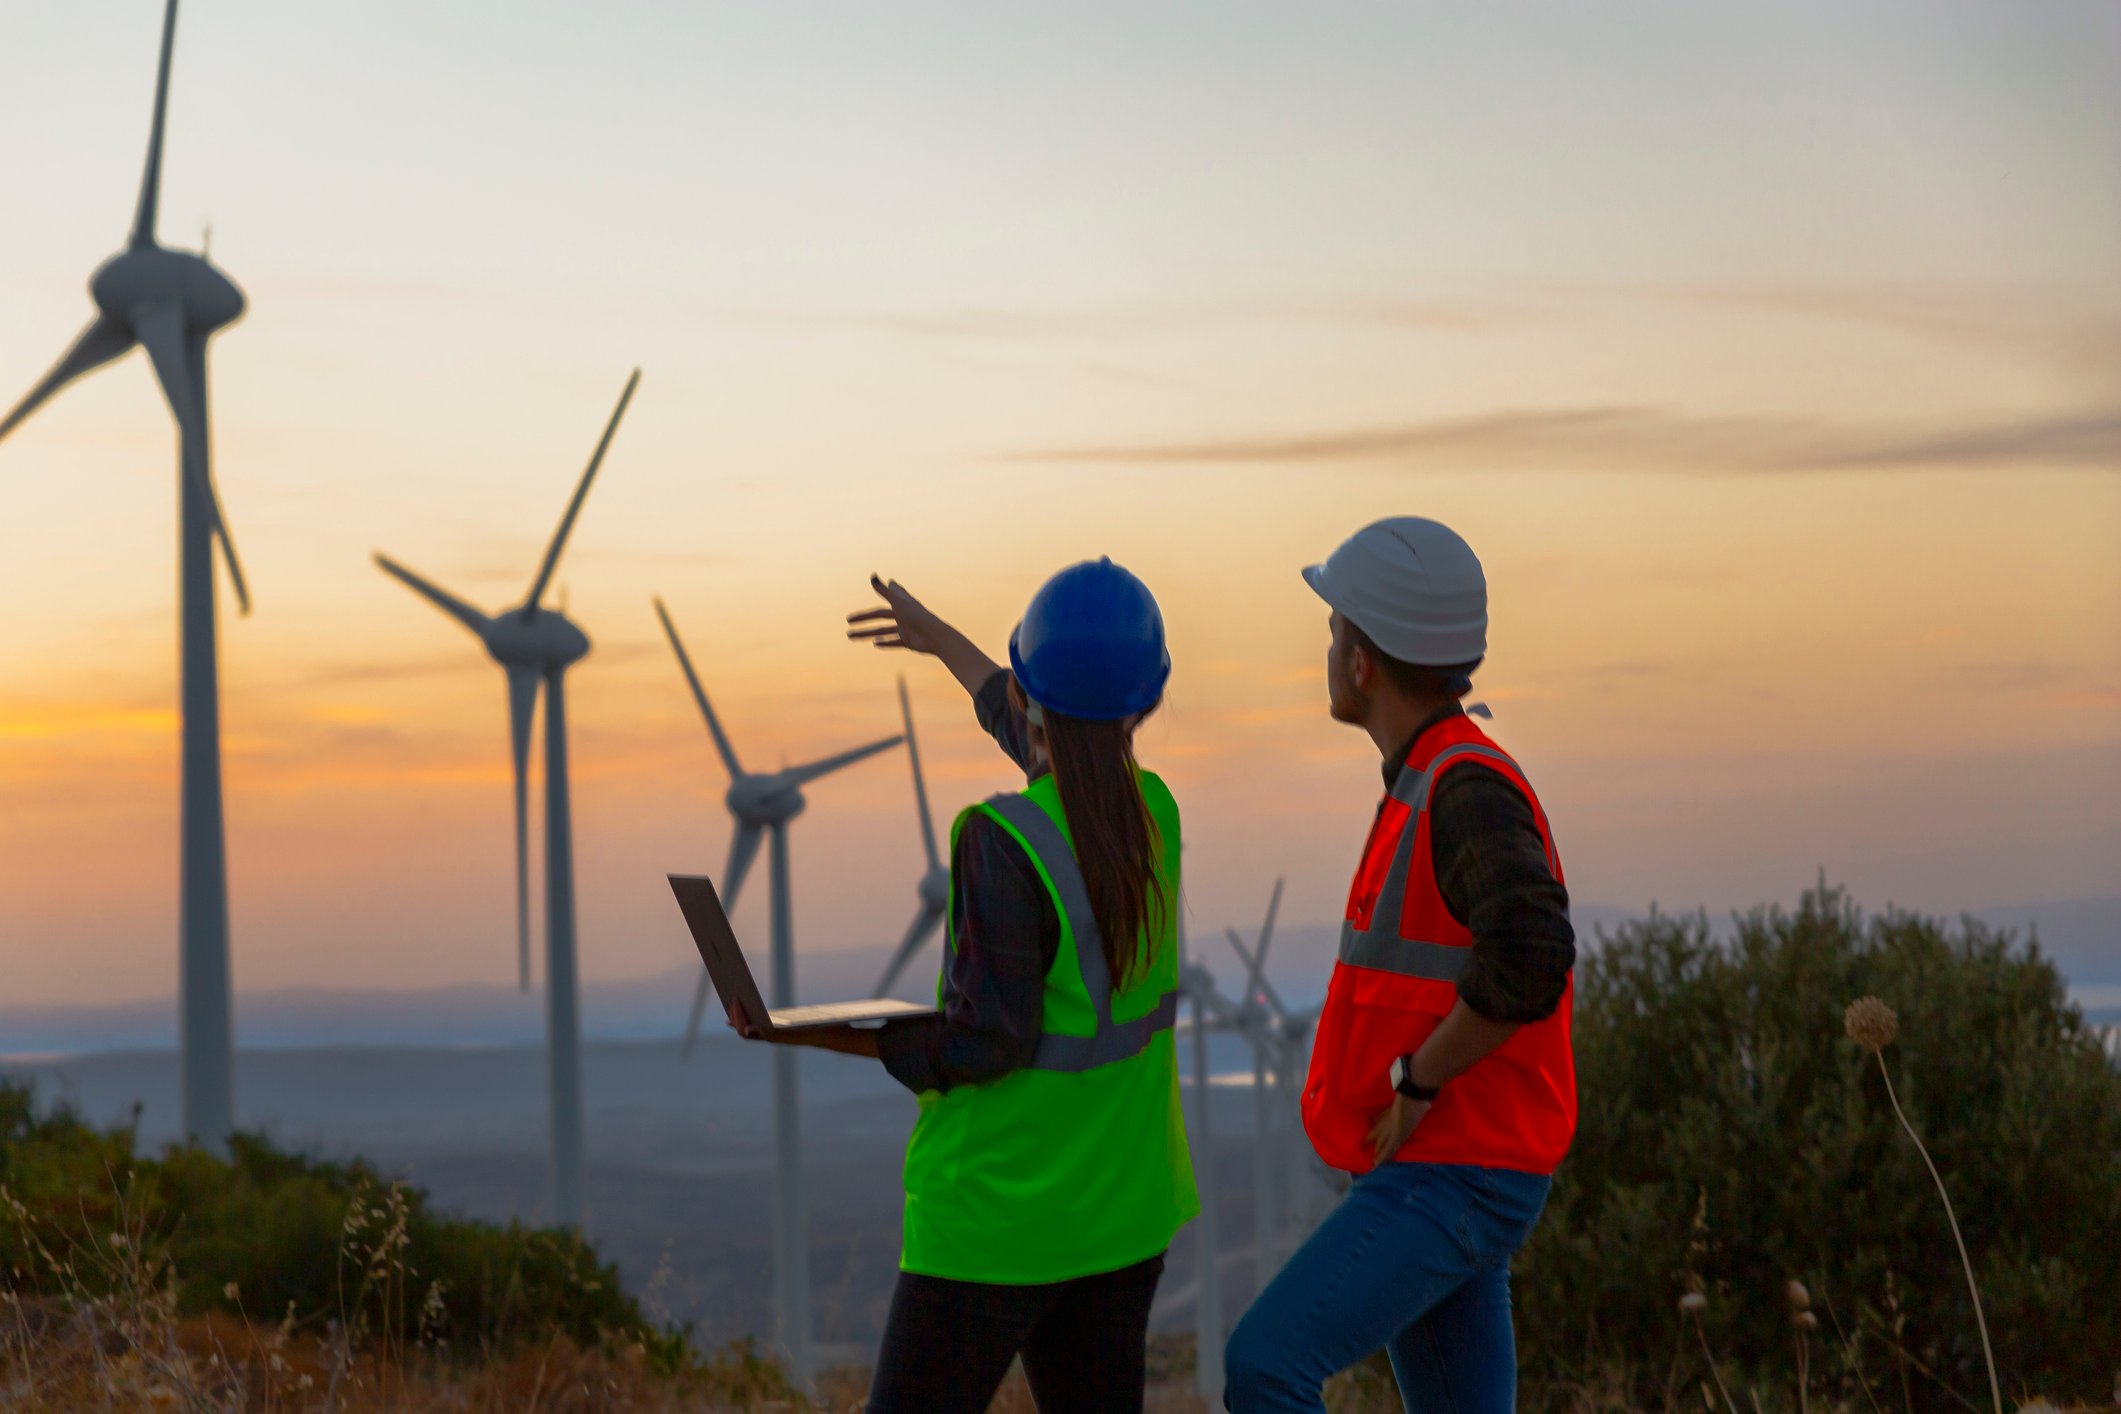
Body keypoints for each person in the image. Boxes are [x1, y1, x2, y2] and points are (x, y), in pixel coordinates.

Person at [731, 559, 1198, 1414]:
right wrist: (942, 640)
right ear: (1146, 701)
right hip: (1124, 1213)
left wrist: (815, 1030)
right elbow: (1053, 733)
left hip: (996, 1220)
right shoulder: (1154, 813)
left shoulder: (1003, 839)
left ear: (1028, 698)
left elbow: (984, 1041)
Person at [1222, 517, 1577, 1414]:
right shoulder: (1436, 773)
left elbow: (1531, 951)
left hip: (1457, 1165)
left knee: (1265, 1366)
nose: (1328, 643)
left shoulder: (1462, 786)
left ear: (1362, 661)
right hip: (1455, 1161)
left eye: (1334, 626)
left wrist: (1417, 1080)